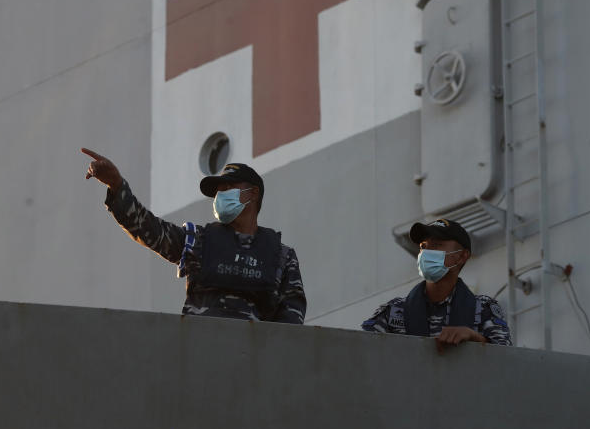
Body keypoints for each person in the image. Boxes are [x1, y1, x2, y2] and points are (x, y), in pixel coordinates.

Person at [82, 148, 306, 323]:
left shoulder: (281, 257)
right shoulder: (197, 241)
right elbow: (148, 229)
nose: (221, 195)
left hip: (253, 368)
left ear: (253, 193)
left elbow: (290, 327)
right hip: (200, 357)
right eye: (219, 191)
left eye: (229, 187)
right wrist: (116, 184)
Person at [361, 218, 511, 352]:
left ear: (462, 256)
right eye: (423, 246)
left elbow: (507, 359)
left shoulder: (484, 308)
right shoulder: (393, 311)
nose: (426, 252)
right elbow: (360, 351)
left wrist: (474, 338)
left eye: (437, 245)